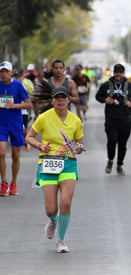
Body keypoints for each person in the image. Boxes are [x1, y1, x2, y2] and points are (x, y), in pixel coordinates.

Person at [25, 86, 84, 253]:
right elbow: (29, 137)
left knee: (65, 202)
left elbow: (80, 142)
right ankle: (52, 220)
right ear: (52, 101)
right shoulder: (43, 118)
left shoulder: (75, 120)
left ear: (68, 100)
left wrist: (79, 148)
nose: (60, 100)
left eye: (63, 97)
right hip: (48, 163)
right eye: (57, 97)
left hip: (68, 163)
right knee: (51, 209)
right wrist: (39, 145)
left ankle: (61, 240)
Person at [95, 64, 131, 176]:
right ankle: (110, 160)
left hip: (125, 119)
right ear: (113, 72)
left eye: (120, 72)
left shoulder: (129, 86)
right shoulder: (106, 85)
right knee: (111, 140)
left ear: (123, 73)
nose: (118, 74)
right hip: (111, 119)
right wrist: (105, 99)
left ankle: (120, 165)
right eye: (116, 72)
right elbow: (98, 96)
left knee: (122, 144)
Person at [0, 61, 32, 196]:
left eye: (6, 71)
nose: (4, 74)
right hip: (1, 125)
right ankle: (4, 182)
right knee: (1, 153)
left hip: (16, 125)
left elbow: (28, 104)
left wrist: (14, 106)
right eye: (1, 71)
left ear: (11, 72)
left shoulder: (18, 85)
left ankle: (13, 182)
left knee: (15, 155)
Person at [13, 68, 35, 151]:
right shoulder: (11, 85)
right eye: (15, 76)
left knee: (25, 130)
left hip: (24, 111)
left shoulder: (25, 85)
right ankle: (18, 143)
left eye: (18, 76)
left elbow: (32, 95)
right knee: (19, 128)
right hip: (15, 112)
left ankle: (25, 141)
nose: (17, 78)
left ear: (22, 77)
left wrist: (26, 98)